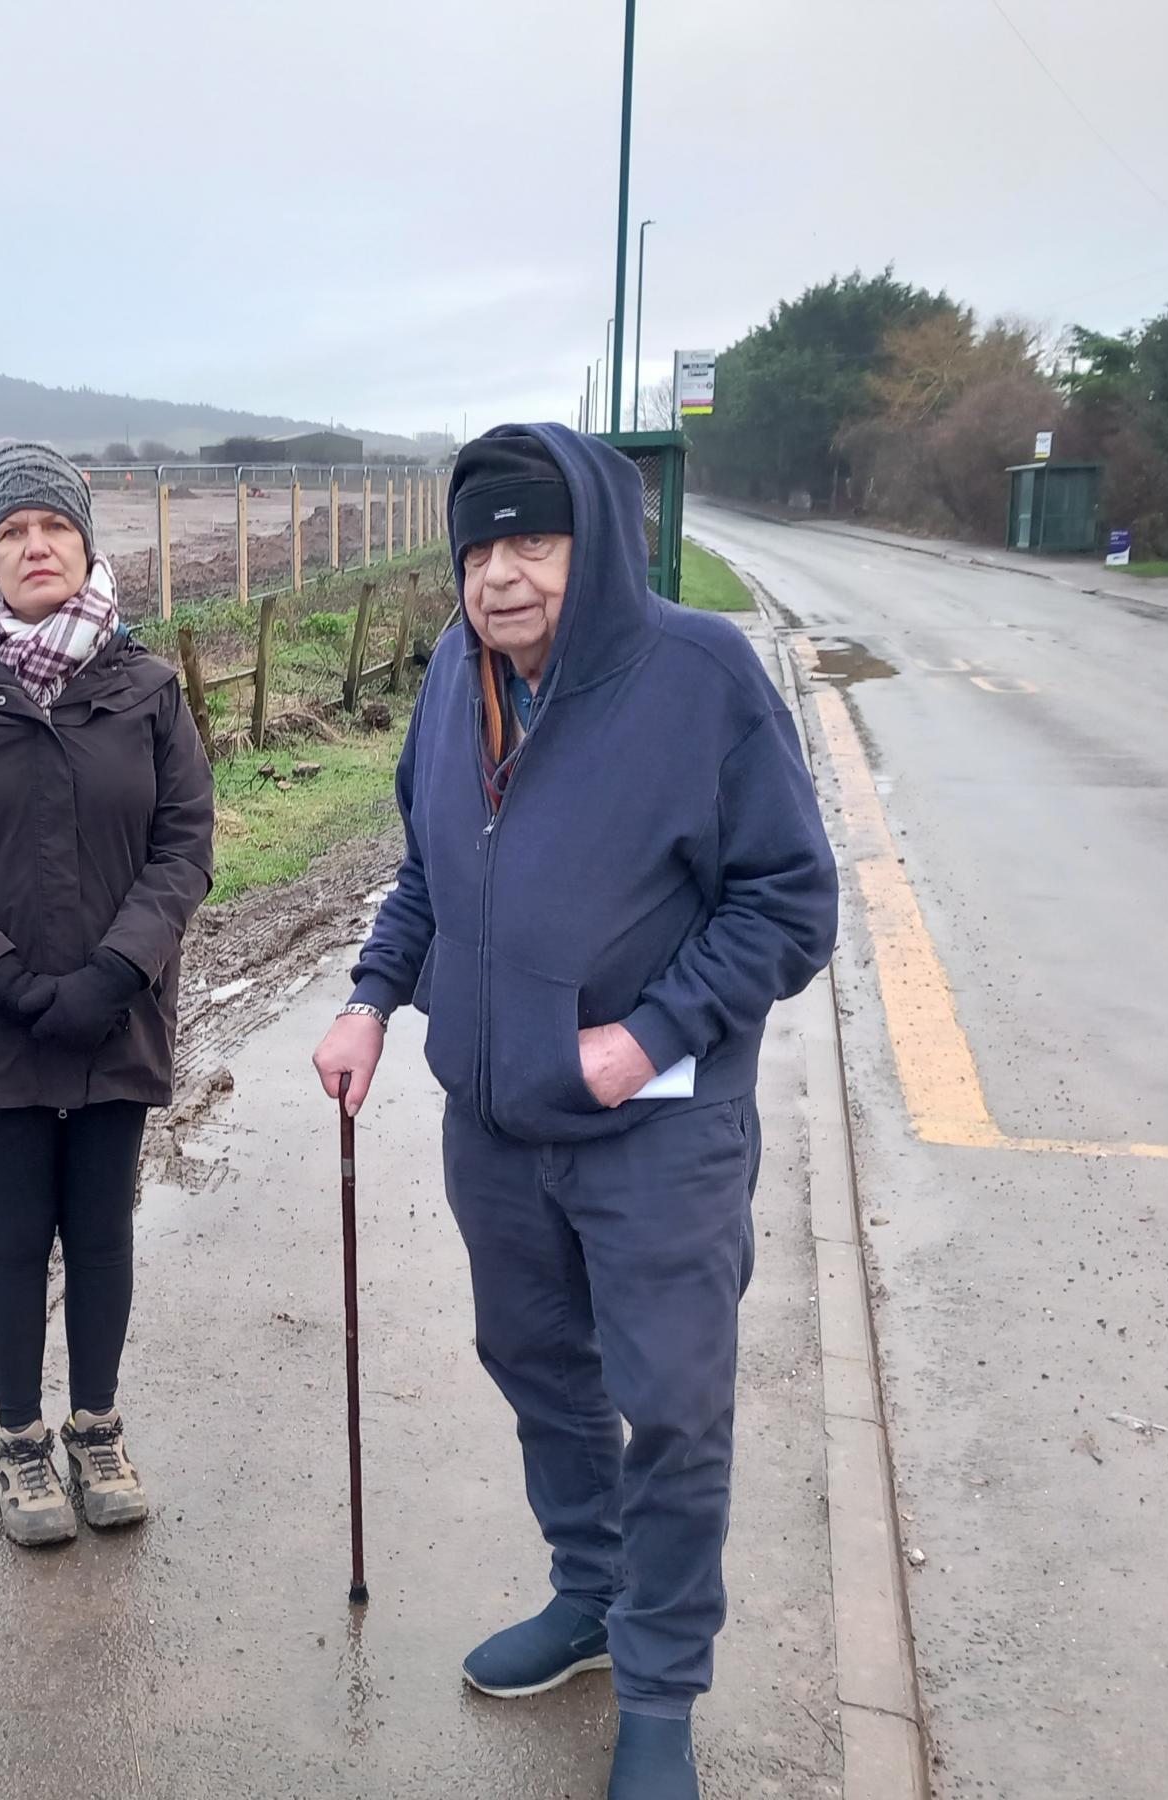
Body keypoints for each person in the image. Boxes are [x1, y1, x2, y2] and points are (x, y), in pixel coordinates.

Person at [311, 425, 836, 1800]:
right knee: (539, 1368)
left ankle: (660, 1693)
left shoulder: (700, 677)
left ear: (593, 543)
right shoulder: (453, 673)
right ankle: (590, 1598)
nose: (500, 575)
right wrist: (374, 997)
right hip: (496, 1127)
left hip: (658, 1135)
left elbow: (791, 901)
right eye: (478, 546)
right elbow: (427, 869)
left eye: (530, 541)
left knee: (670, 1406)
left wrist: (649, 1034)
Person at [0, 441, 213, 1548]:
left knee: (103, 1231)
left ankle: (97, 1428)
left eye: (53, 530)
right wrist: (8, 981)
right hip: (0, 1024)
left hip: (119, 1013)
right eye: (13, 533)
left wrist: (120, 970)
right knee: (17, 1235)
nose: (35, 548)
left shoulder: (148, 691)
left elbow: (184, 844)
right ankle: (20, 1445)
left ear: (85, 548)